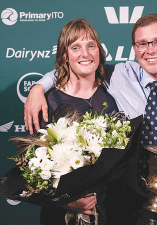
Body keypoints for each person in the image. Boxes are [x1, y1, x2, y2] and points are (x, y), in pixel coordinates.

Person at [25, 14, 157, 225]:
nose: (150, 50)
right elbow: (79, 64)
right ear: (134, 48)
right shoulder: (120, 75)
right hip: (130, 205)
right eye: (142, 43)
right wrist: (39, 86)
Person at [34, 18, 119, 225]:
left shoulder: (114, 94)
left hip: (110, 209)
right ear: (64, 56)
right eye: (75, 47)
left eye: (91, 46)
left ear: (99, 51)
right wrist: (65, 201)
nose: (85, 54)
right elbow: (34, 168)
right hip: (60, 215)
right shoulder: (46, 102)